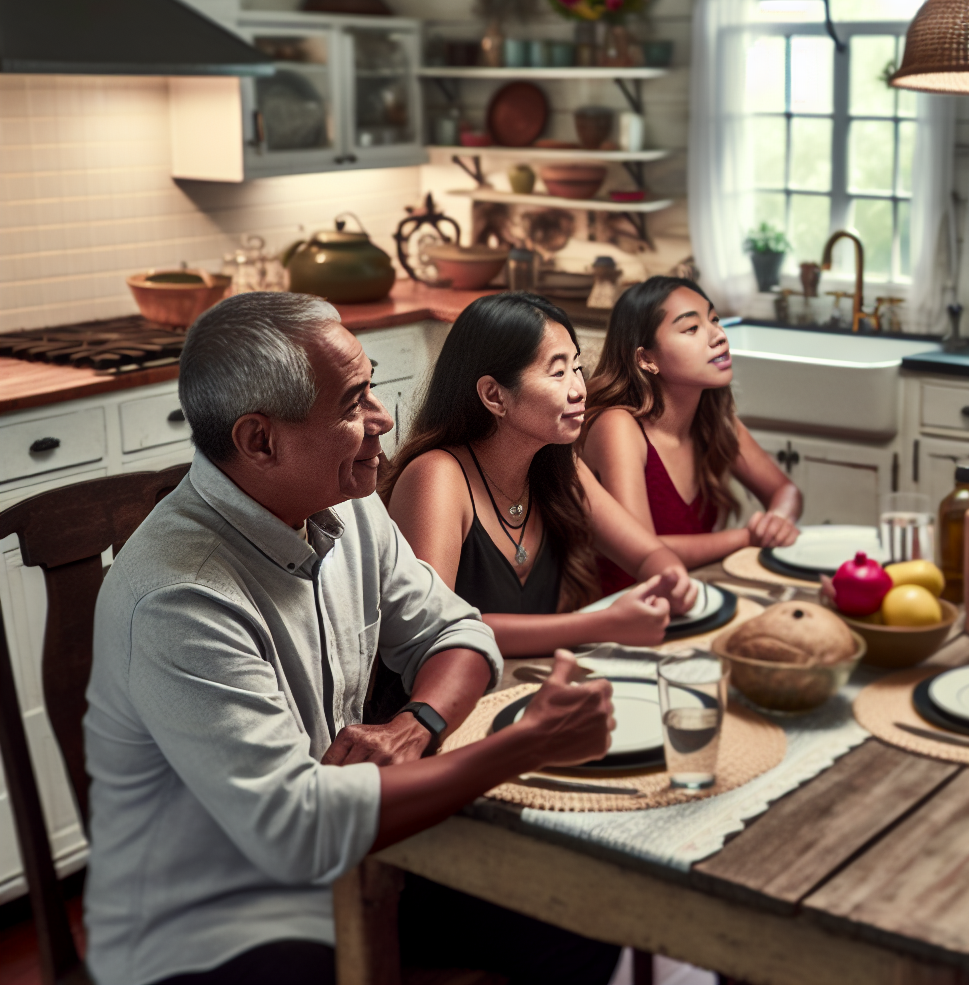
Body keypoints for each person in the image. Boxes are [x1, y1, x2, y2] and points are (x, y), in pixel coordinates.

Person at [85, 293, 626, 985]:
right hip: (222, 923)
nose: (384, 420)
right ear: (260, 441)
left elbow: (458, 631)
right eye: (351, 404)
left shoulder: (348, 504)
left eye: (372, 387)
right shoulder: (181, 595)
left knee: (579, 913)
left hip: (346, 861)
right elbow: (296, 828)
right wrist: (520, 747)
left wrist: (416, 723)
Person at [383, 292, 701, 658]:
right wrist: (603, 624)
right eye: (558, 372)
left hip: (535, 684)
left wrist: (670, 579)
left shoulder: (559, 466)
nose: (579, 389)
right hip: (449, 705)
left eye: (577, 367)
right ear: (494, 395)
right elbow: (438, 627)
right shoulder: (436, 477)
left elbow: (648, 555)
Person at [582, 276, 802, 590]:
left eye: (715, 320)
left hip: (690, 598)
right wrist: (747, 537)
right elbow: (644, 553)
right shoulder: (618, 427)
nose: (718, 336)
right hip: (627, 614)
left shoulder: (713, 419)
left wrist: (777, 520)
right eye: (691, 329)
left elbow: (786, 491)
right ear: (646, 358)